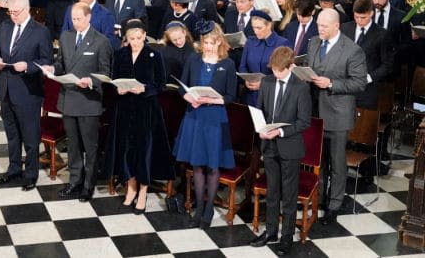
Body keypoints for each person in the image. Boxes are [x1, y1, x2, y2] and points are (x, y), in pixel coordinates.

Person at [43, 2, 113, 202]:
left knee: (89, 147)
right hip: (68, 99)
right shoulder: (66, 37)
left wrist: (92, 81)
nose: (75, 23)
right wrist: (52, 70)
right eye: (73, 19)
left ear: (89, 17)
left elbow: (105, 73)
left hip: (89, 102)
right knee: (73, 145)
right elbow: (61, 64)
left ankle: (88, 185)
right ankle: (75, 181)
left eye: (79, 19)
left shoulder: (101, 41)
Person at [305, 8, 367, 225]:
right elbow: (309, 68)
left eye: (324, 26)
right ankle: (318, 197)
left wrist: (331, 84)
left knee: (337, 163)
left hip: (338, 115)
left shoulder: (352, 50)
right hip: (314, 113)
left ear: (336, 26)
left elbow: (359, 83)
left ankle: (334, 204)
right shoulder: (313, 42)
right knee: (317, 161)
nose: (319, 29)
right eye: (318, 25)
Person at [106, 19, 174, 214]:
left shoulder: (154, 55)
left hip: (146, 109)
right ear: (126, 38)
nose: (135, 42)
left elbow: (161, 84)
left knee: (143, 151)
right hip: (125, 108)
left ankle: (143, 190)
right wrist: (117, 88)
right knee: (126, 148)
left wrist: (143, 88)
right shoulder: (120, 55)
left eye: (138, 38)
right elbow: (114, 78)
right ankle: (131, 186)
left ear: (145, 35)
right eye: (131, 38)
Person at [174, 21, 237, 228]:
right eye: (205, 42)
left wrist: (210, 100)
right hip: (194, 117)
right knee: (197, 165)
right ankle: (199, 207)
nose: (208, 46)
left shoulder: (227, 64)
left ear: (219, 41)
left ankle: (209, 209)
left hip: (215, 119)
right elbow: (181, 89)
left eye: (212, 42)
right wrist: (189, 98)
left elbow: (230, 96)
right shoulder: (193, 59)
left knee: (212, 166)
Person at [250, 47, 312, 255]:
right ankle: (270, 232)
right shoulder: (267, 82)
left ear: (290, 66)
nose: (275, 74)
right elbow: (260, 111)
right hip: (268, 146)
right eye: (273, 70)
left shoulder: (300, 88)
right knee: (272, 191)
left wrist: (280, 132)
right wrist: (261, 129)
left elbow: (304, 122)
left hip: (289, 147)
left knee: (289, 194)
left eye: (279, 71)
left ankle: (286, 236)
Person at [0, 0, 53, 191]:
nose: (12, 16)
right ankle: (14, 169)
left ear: (27, 10)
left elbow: (47, 61)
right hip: (7, 88)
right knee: (12, 133)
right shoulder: (5, 26)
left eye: (16, 13)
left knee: (30, 135)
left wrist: (28, 65)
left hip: (28, 91)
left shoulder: (40, 31)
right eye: (10, 12)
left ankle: (31, 173)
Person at [239, 10, 292, 106]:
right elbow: (242, 66)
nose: (255, 31)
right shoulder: (250, 41)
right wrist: (246, 80)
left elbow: (285, 73)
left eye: (259, 28)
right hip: (250, 95)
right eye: (254, 28)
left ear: (269, 25)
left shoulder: (282, 43)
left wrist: (263, 84)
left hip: (271, 96)